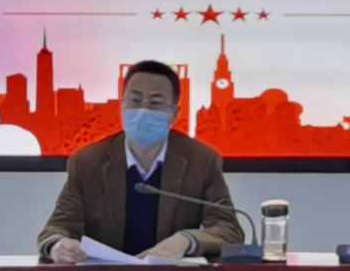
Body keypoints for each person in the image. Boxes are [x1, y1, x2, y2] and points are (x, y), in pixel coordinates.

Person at [38, 61, 244, 264]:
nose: (143, 110)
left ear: (173, 113)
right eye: (135, 100)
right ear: (122, 105)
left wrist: (186, 240)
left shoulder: (201, 160)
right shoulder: (88, 161)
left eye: (155, 102)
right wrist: (57, 244)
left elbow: (228, 229)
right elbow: (57, 227)